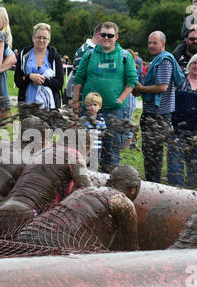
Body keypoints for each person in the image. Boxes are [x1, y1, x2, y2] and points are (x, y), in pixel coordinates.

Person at [0, 130, 93, 240]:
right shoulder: (74, 155)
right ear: (86, 147)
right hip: (25, 216)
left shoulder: (43, 151)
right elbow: (88, 192)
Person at [18, 165, 141, 251]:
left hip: (28, 233)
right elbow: (131, 249)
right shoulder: (123, 202)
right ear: (133, 188)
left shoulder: (86, 190)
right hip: (56, 243)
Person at [73, 22, 138, 173]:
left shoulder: (125, 56)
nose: (106, 38)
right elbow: (79, 78)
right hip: (88, 110)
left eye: (110, 35)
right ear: (99, 35)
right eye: (103, 34)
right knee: (85, 149)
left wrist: (121, 99)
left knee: (111, 151)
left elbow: (132, 81)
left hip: (113, 112)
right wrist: (76, 101)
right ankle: (85, 183)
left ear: (116, 37)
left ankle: (109, 188)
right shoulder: (89, 54)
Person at [132, 31, 185, 183]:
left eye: (154, 42)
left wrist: (141, 89)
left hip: (158, 115)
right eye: (149, 42)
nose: (151, 45)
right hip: (153, 112)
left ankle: (153, 185)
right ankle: (151, 182)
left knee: (153, 154)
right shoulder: (158, 59)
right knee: (150, 153)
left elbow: (162, 87)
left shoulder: (164, 61)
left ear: (163, 44)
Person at [167, 53, 197, 189]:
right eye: (194, 63)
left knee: (194, 168)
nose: (196, 66)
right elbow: (169, 97)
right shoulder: (180, 80)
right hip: (177, 131)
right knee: (175, 168)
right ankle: (174, 195)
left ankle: (193, 197)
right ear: (189, 65)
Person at [14, 22, 64, 117]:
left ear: (49, 40)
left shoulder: (55, 57)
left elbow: (59, 84)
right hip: (27, 106)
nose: (41, 40)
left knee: (48, 132)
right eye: (38, 37)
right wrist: (29, 77)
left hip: (49, 110)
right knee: (23, 131)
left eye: (44, 38)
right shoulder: (23, 55)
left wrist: (43, 81)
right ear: (33, 38)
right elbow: (18, 81)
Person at [80, 92, 106, 169]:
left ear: (99, 107)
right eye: (89, 105)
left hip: (96, 149)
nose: (92, 107)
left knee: (93, 168)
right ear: (86, 106)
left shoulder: (101, 121)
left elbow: (103, 134)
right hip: (84, 149)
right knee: (82, 168)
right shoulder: (83, 120)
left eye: (95, 105)